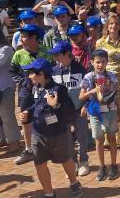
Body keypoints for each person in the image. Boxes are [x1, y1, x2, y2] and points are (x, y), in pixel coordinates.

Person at [19, 58, 83, 198]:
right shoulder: (36, 88)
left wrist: (56, 105)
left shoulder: (59, 89)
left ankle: (74, 183)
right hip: (38, 133)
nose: (29, 76)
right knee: (39, 163)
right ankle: (49, 193)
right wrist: (28, 112)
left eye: (31, 73)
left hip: (57, 134)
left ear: (41, 74)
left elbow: (71, 113)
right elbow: (37, 105)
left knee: (65, 159)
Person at [49, 40, 90, 177]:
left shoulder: (81, 70)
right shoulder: (53, 71)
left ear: (67, 54)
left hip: (79, 109)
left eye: (58, 55)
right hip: (62, 111)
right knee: (66, 138)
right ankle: (73, 162)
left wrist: (86, 105)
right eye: (54, 55)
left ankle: (84, 161)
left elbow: (88, 90)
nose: (55, 58)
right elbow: (50, 91)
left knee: (81, 136)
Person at [95, 14, 120, 148]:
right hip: (108, 83)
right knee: (110, 111)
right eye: (111, 24)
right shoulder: (100, 42)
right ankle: (110, 139)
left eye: (116, 24)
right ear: (107, 26)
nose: (113, 26)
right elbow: (98, 63)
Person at [11, 24, 50, 165]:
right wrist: (23, 80)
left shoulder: (46, 52)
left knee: (47, 115)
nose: (21, 39)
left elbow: (52, 70)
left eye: (24, 36)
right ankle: (28, 150)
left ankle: (47, 146)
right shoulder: (18, 54)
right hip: (26, 91)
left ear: (34, 37)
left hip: (44, 91)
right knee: (26, 119)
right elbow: (12, 70)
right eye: (21, 36)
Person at [79, 49, 120, 181]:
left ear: (107, 62)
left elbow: (116, 94)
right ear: (92, 62)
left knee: (112, 138)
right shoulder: (88, 77)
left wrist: (110, 93)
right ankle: (102, 167)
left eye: (103, 62)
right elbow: (82, 96)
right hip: (95, 112)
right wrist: (93, 91)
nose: (100, 65)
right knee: (99, 140)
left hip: (110, 110)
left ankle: (114, 165)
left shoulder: (112, 76)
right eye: (97, 62)